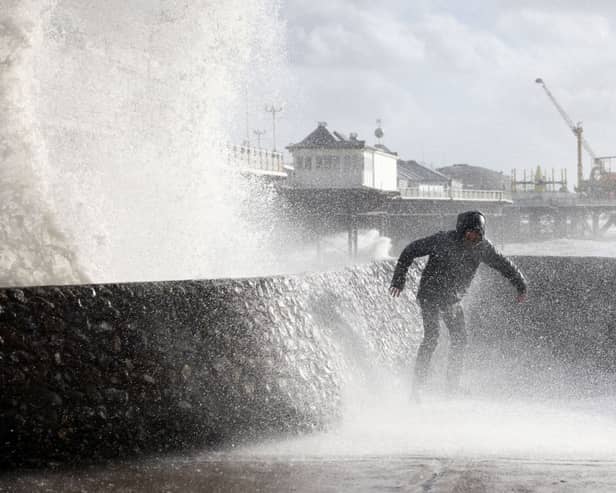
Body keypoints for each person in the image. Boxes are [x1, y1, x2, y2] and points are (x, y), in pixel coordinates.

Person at [389, 210, 527, 400]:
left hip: (451, 300)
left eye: (477, 234)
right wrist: (399, 278)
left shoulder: (483, 248)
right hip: (430, 295)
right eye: (469, 233)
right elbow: (410, 250)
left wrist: (520, 285)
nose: (473, 238)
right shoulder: (442, 241)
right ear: (461, 230)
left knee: (460, 340)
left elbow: (503, 264)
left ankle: (451, 387)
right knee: (432, 338)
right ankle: (416, 389)